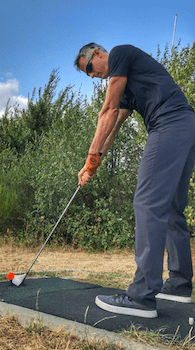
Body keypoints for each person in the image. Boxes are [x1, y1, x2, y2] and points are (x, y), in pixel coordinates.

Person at [74, 43, 195, 318]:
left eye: (90, 69)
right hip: (188, 127)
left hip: (169, 123)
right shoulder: (128, 85)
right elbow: (113, 125)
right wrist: (92, 165)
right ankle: (178, 284)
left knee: (147, 203)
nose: (92, 77)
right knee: (172, 207)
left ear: (98, 54)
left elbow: (107, 110)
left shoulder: (120, 53)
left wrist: (90, 156)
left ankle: (141, 296)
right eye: (87, 75)